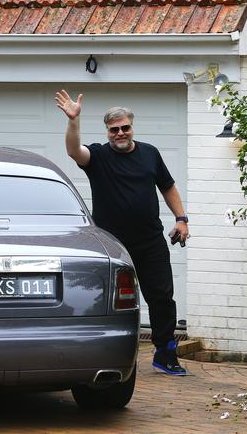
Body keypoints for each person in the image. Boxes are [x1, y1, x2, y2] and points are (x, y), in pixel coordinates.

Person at [55, 89, 190, 376]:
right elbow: (72, 150)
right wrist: (73, 121)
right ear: (107, 132)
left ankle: (165, 353)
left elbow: (167, 186)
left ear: (132, 127)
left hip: (150, 240)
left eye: (124, 127)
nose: (120, 133)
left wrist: (181, 219)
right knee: (105, 299)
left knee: (162, 297)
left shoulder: (150, 153)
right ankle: (100, 351)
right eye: (114, 129)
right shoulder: (98, 156)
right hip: (111, 244)